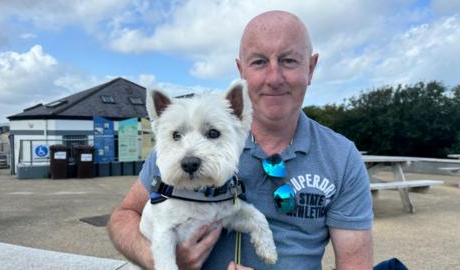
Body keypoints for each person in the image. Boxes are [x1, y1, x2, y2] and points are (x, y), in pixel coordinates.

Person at [108, 10, 373, 270]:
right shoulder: (177, 148)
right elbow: (124, 217)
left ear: (311, 68)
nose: (274, 78)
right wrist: (155, 259)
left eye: (289, 60)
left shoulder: (341, 157)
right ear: (241, 69)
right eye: (259, 62)